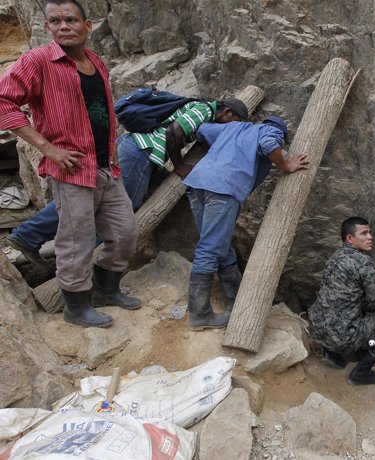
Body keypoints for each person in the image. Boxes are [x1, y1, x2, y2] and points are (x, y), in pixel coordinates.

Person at [0, 0, 139, 327]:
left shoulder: (95, 61)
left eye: (71, 20)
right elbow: (4, 101)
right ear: (47, 27)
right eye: (55, 21)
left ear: (87, 26)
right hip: (71, 171)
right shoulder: (38, 61)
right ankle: (76, 307)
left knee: (125, 233)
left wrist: (113, 145)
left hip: (106, 167)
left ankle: (106, 290)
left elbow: (101, 107)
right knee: (75, 240)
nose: (64, 26)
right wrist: (48, 149)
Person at [4, 94, 248, 267]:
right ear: (227, 112)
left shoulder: (202, 113)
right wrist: (179, 164)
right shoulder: (204, 109)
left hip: (135, 149)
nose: (230, 128)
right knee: (117, 208)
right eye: (233, 122)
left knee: (96, 200)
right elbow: (175, 131)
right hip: (141, 151)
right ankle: (43, 240)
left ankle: (36, 237)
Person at [182, 115, 309, 330]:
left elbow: (202, 129)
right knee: (209, 249)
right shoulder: (270, 131)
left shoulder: (233, 128)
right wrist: (286, 165)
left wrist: (224, 149)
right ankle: (199, 314)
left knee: (217, 244)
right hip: (223, 187)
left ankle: (234, 298)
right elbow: (269, 144)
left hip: (196, 183)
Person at [308, 217, 375, 386]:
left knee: (354, 309)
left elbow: (343, 297)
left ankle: (332, 355)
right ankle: (361, 373)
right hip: (341, 335)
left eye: (369, 232)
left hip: (317, 327)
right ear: (350, 238)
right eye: (364, 233)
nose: (370, 237)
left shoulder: (334, 257)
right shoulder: (363, 263)